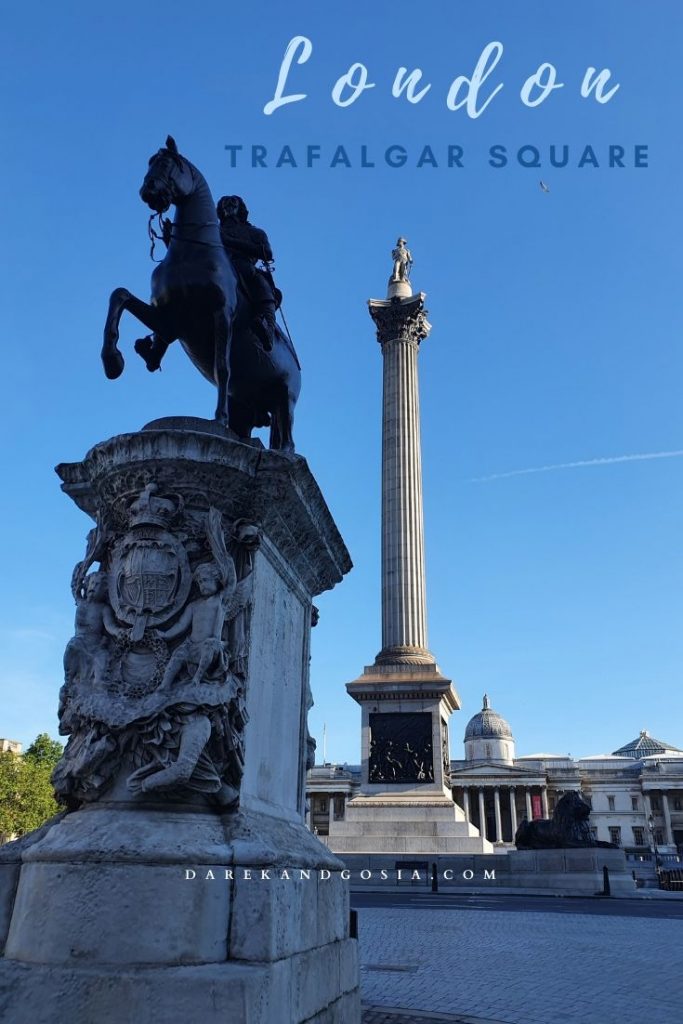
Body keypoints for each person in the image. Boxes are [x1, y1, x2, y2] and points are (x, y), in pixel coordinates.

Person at [217, 195, 280, 351]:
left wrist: (230, 242)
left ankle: (267, 330)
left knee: (263, 285)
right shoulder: (211, 230)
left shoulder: (254, 232)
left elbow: (267, 252)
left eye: (233, 203)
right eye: (225, 203)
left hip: (244, 266)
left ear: (240, 208)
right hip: (215, 267)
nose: (229, 205)